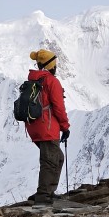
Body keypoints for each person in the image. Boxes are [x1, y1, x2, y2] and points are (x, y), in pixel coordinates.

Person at [25, 49, 70, 205]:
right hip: (47, 126)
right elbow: (58, 107)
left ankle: (47, 192)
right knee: (51, 160)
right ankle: (44, 195)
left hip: (34, 125)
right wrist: (65, 127)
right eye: (55, 63)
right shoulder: (51, 81)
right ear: (51, 64)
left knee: (56, 158)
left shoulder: (33, 79)